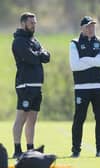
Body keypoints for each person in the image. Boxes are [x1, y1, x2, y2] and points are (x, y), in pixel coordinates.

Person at [12, 12, 50, 158]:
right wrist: (40, 54)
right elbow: (32, 58)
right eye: (31, 23)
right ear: (23, 24)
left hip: (36, 86)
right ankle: (17, 149)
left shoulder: (34, 40)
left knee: (32, 118)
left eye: (35, 23)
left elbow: (46, 56)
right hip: (25, 85)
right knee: (21, 117)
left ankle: (30, 149)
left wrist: (40, 53)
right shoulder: (19, 42)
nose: (34, 25)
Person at [69, 16, 100, 157]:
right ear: (82, 28)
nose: (91, 29)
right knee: (79, 119)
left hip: (99, 86)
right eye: (88, 26)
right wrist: (94, 61)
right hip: (81, 88)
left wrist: (85, 60)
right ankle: (75, 150)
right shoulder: (74, 43)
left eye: (92, 26)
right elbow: (75, 65)